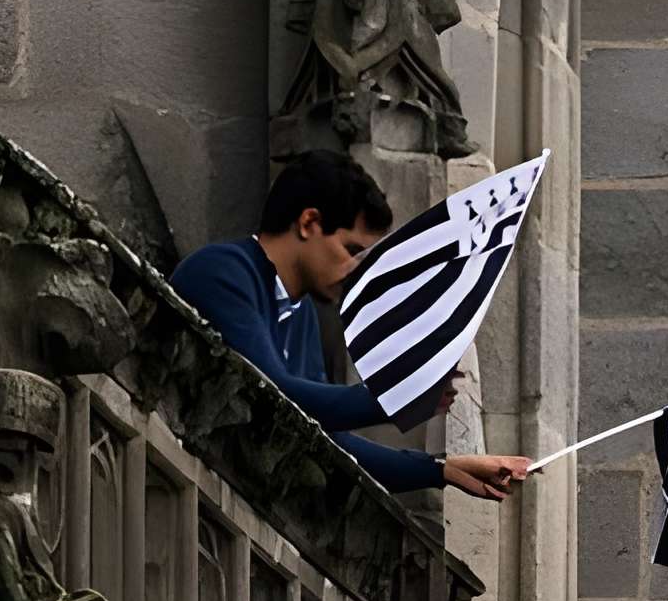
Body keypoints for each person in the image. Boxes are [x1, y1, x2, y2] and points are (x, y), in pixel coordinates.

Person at [170, 154, 535, 502]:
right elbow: (273, 395)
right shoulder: (221, 271)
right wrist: (395, 395)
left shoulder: (302, 315)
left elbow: (324, 440)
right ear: (309, 223)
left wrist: (441, 471)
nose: (357, 270)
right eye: (351, 249)